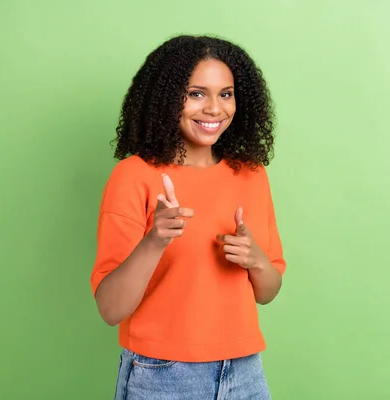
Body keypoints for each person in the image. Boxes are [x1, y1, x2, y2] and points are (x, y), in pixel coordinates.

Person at [90, 34, 286, 400]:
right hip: (162, 375)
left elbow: (269, 291)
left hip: (245, 372)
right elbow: (110, 308)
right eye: (196, 93)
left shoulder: (251, 174)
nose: (214, 108)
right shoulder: (135, 175)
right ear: (165, 98)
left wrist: (256, 260)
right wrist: (155, 240)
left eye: (226, 94)